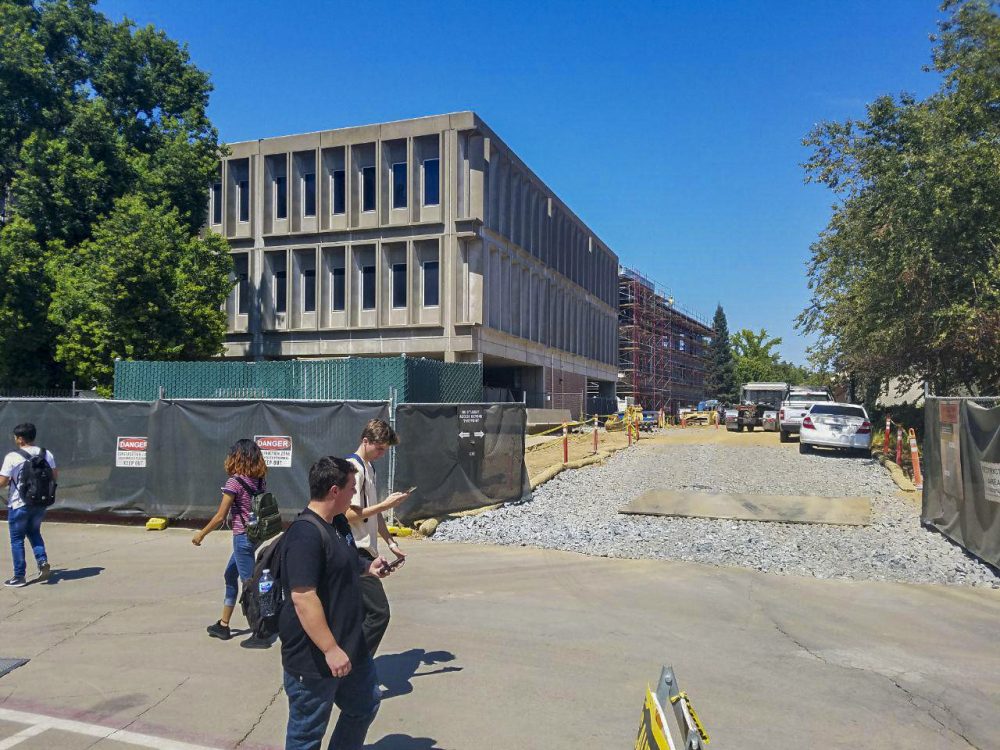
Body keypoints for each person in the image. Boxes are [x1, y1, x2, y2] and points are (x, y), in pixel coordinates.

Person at [280, 456, 392, 750]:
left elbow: (344, 559)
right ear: (334, 491)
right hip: (315, 659)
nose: (354, 494)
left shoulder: (337, 523)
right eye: (352, 488)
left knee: (365, 704)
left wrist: (368, 566)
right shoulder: (304, 534)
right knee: (306, 736)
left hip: (351, 649)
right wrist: (330, 649)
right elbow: (303, 598)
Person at [345, 419, 410, 655]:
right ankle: (356, 665)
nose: (382, 453)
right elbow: (349, 513)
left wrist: (391, 542)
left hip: (366, 550)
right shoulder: (354, 468)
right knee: (379, 612)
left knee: (361, 613)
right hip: (354, 550)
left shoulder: (369, 467)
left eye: (385, 449)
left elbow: (373, 512)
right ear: (365, 441)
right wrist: (385, 504)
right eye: (380, 448)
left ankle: (353, 667)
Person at [192, 438, 267, 641]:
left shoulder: (234, 482)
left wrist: (201, 534)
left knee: (250, 586)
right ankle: (224, 624)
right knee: (229, 576)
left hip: (242, 538)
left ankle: (261, 629)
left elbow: (220, 517)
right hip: (255, 535)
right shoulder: (259, 480)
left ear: (237, 457)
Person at [0, 423, 55, 587]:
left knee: (17, 539)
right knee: (34, 532)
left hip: (19, 504)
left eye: (16, 436)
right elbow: (54, 476)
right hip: (40, 502)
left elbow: (2, 481)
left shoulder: (12, 456)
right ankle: (42, 561)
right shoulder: (46, 453)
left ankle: (19, 576)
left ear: (20, 439)